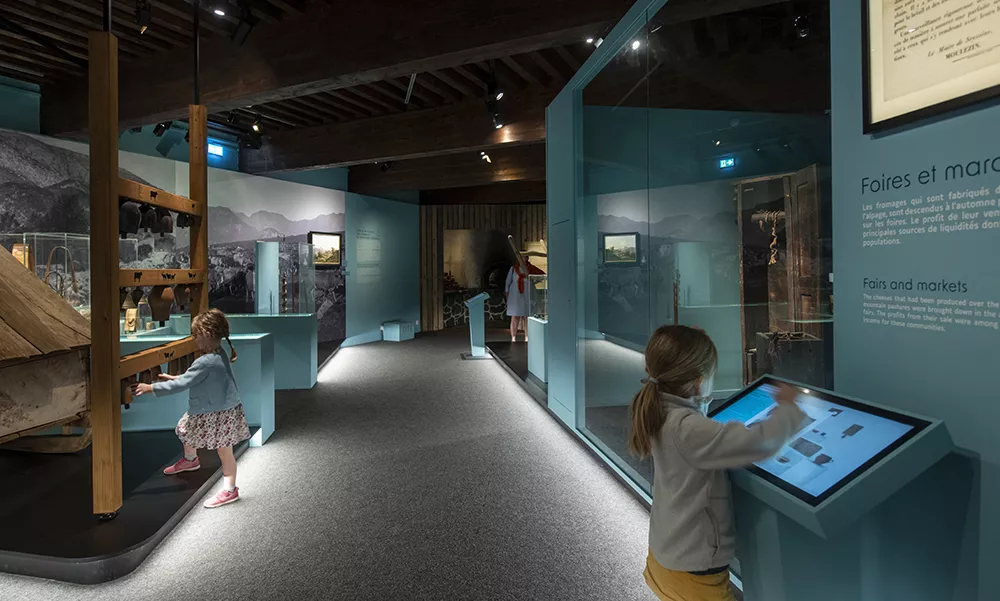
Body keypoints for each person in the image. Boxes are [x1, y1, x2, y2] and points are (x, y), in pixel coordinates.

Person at [629, 325, 807, 601]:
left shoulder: (660, 410)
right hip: (694, 573)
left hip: (666, 559)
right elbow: (761, 443)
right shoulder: (687, 429)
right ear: (700, 382)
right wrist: (789, 408)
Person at [133, 308, 250, 509]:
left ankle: (230, 490)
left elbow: (183, 384)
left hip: (214, 411)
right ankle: (191, 459)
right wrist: (179, 377)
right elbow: (193, 378)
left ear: (207, 335)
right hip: (223, 409)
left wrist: (150, 387)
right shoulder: (220, 352)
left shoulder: (205, 361)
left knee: (223, 451)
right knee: (186, 430)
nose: (194, 340)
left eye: (196, 336)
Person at [504, 261, 531, 342]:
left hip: (527, 294)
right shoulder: (513, 269)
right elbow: (507, 283)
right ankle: (513, 337)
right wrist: (507, 296)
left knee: (526, 316)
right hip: (514, 295)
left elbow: (538, 276)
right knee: (514, 316)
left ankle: (527, 337)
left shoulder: (531, 268)